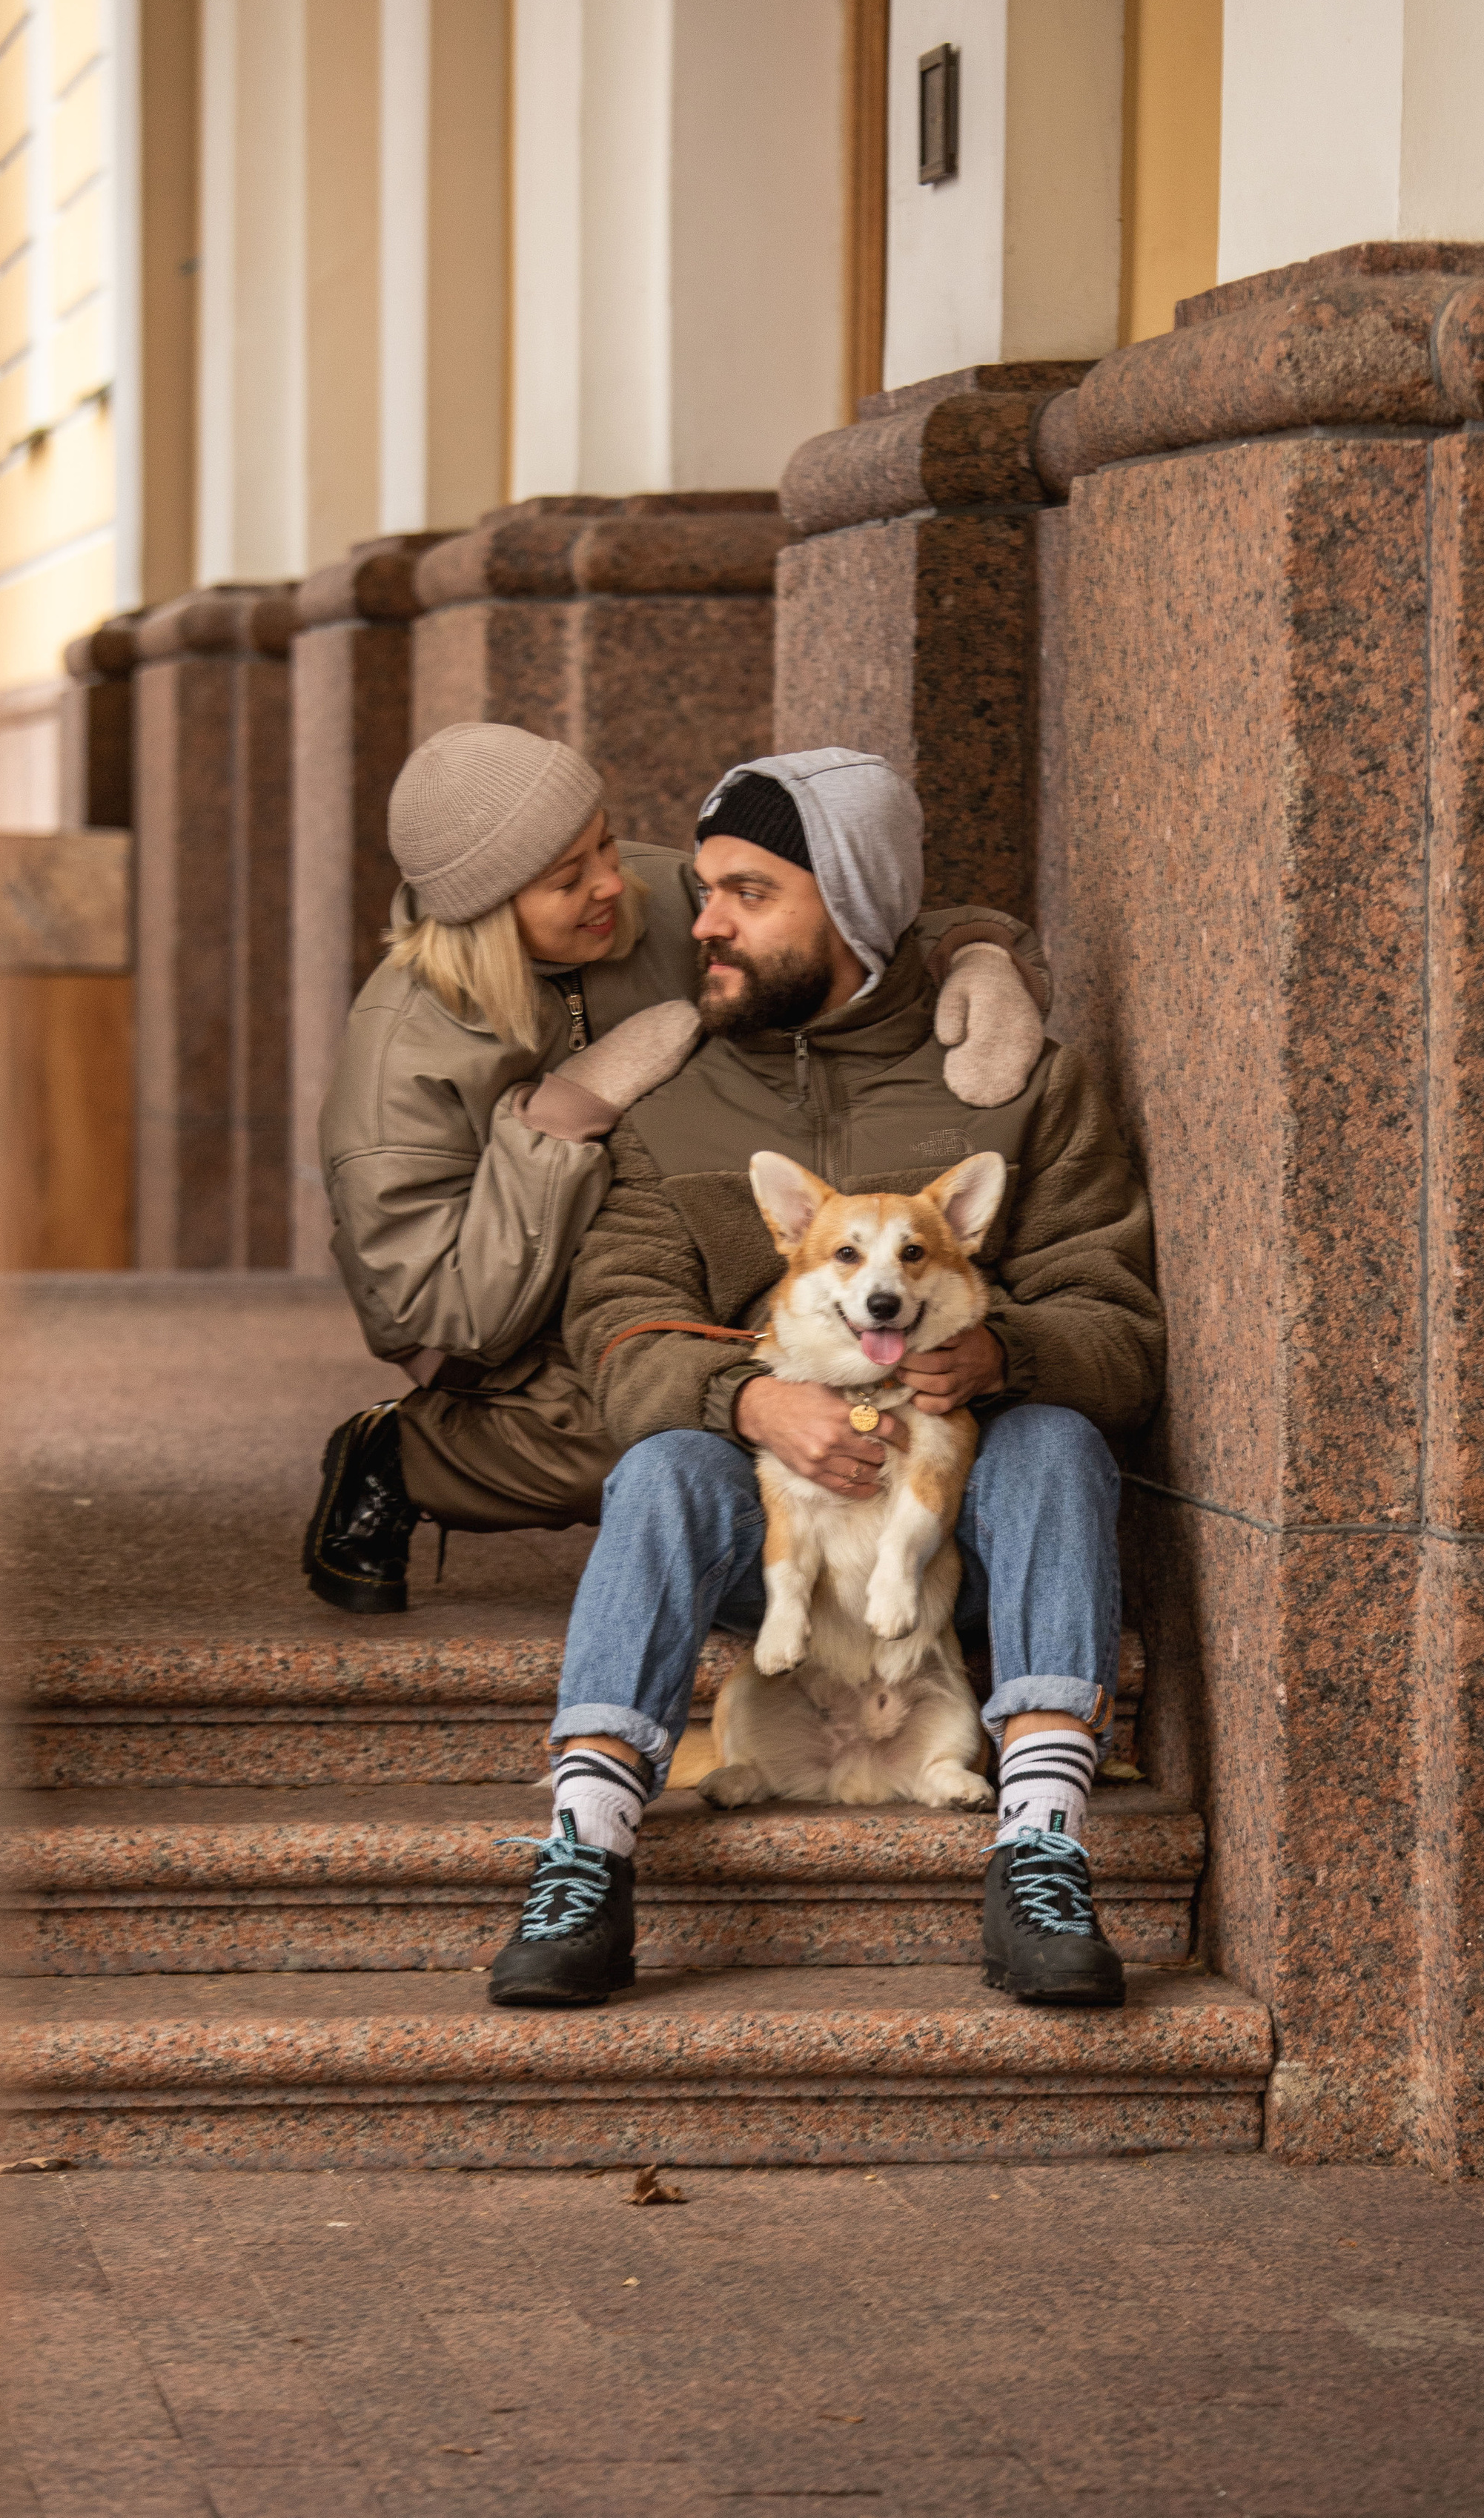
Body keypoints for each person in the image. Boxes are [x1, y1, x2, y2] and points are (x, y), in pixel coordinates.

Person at [486, 753, 1165, 2010]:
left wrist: (1003, 1355)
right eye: (704, 892)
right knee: (664, 1466)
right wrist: (749, 1401)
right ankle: (586, 1848)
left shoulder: (1027, 1088)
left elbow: (1118, 1323)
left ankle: (1041, 1846)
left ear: (849, 903)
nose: (705, 925)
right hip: (781, 1547)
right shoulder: (671, 1100)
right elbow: (616, 1330)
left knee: (1059, 1438)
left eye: (749, 892)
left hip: (958, 1540)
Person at [305, 724, 1053, 1613]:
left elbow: (836, 914)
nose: (612, 884)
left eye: (605, 843)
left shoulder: (654, 897)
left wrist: (977, 950)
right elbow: (437, 1319)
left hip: (696, 1257)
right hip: (518, 1334)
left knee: (820, 1395)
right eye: (567, 879)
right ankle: (409, 1457)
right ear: (485, 908)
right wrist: (561, 1123)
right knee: (672, 1425)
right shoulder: (406, 1049)